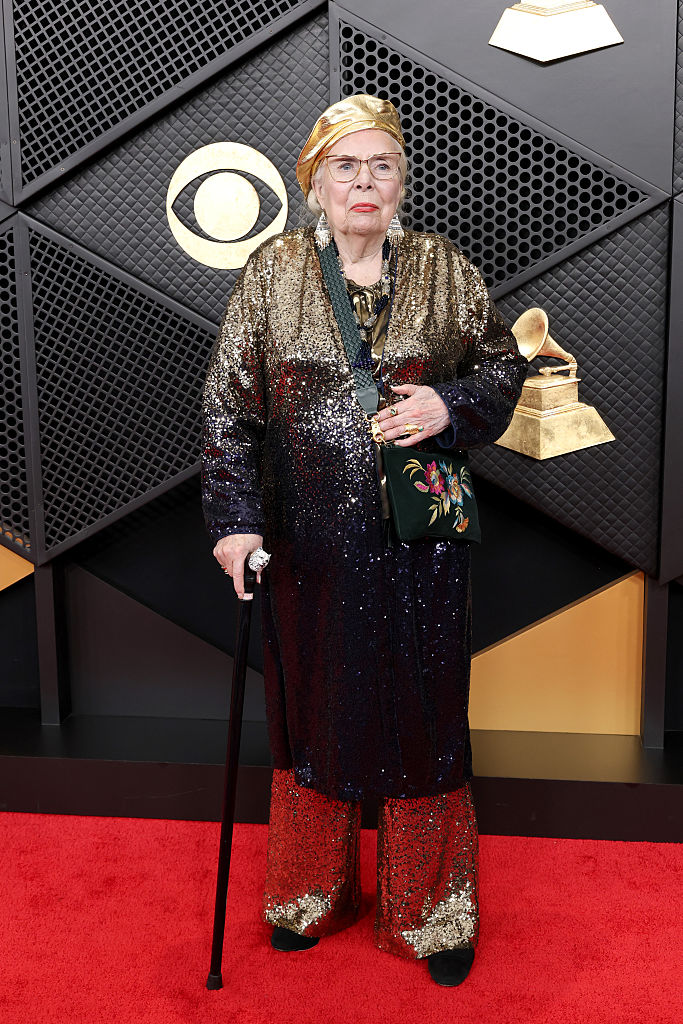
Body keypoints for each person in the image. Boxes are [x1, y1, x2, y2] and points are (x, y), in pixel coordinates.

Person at [201, 94, 528, 986]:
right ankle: (311, 896)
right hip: (310, 547)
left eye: (381, 164)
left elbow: (503, 368)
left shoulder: (443, 269)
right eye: (345, 165)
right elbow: (230, 408)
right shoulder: (272, 274)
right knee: (314, 715)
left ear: (400, 182)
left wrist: (448, 406)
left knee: (424, 720)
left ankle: (430, 915)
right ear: (314, 181)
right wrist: (234, 525)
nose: (363, 181)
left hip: (422, 545)